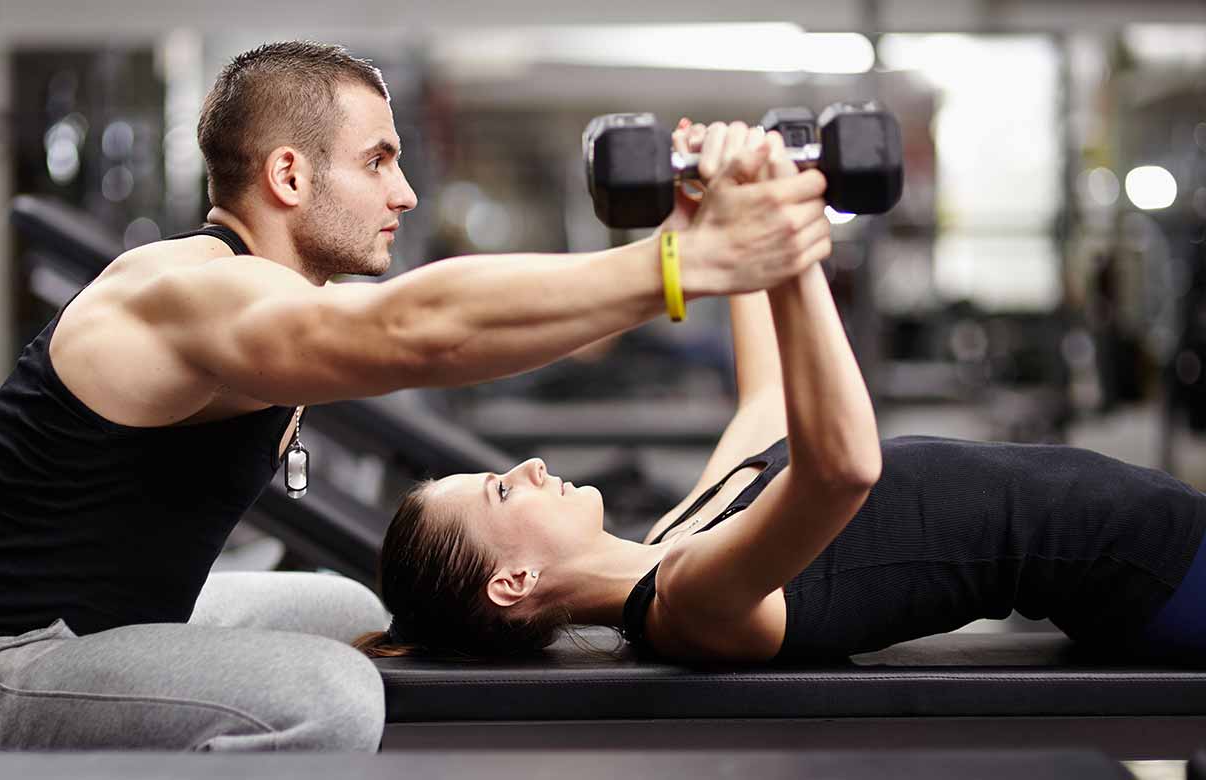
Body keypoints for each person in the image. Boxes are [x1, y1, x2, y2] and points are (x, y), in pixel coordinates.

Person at [0, 41, 834, 751]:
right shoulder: (183, 292)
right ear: (286, 174)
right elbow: (413, 329)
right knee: (332, 698)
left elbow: (477, 325)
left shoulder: (261, 294)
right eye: (378, 162)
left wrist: (696, 248)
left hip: (83, 631)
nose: (402, 194)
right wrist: (681, 263)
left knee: (341, 604)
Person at [356, 121, 1206, 665]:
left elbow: (766, 404)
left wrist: (705, 227)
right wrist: (786, 240)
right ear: (514, 581)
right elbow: (841, 469)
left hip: (1148, 531)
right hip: (1147, 569)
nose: (531, 465)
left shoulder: (674, 538)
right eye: (502, 489)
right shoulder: (688, 602)